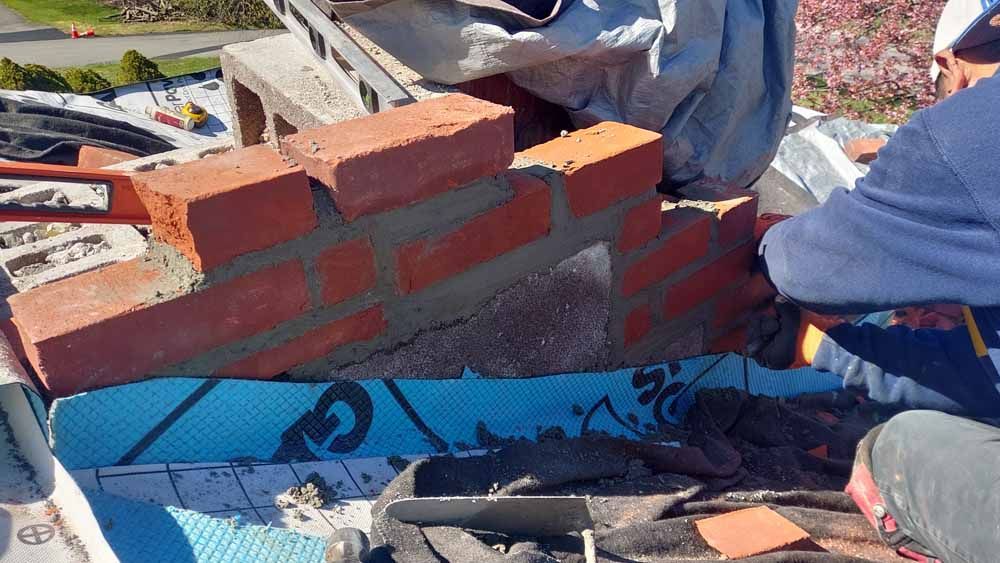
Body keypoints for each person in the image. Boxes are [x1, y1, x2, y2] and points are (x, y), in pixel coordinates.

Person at [749, 1, 1000, 561]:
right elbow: (987, 372)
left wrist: (765, 244)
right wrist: (822, 348)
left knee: (902, 448)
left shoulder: (970, 126)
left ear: (950, 65)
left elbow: (807, 271)